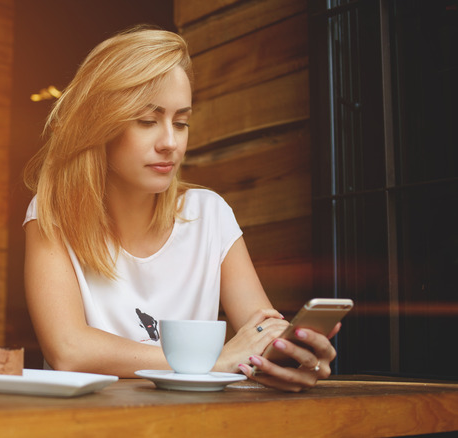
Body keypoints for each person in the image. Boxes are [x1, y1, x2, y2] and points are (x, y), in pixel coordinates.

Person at [21, 25, 340, 392]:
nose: (171, 142)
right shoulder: (52, 215)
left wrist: (289, 352)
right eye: (147, 121)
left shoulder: (210, 215)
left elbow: (259, 331)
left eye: (182, 122)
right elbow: (69, 349)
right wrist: (210, 363)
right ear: (100, 125)